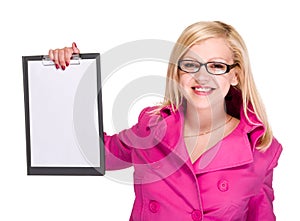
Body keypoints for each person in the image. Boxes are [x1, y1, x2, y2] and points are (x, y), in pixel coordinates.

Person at [49, 21, 282, 221]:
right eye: (191, 64)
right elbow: (90, 153)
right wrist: (70, 77)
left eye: (217, 66)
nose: (202, 76)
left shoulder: (260, 148)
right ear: (177, 72)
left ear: (235, 75)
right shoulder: (151, 127)